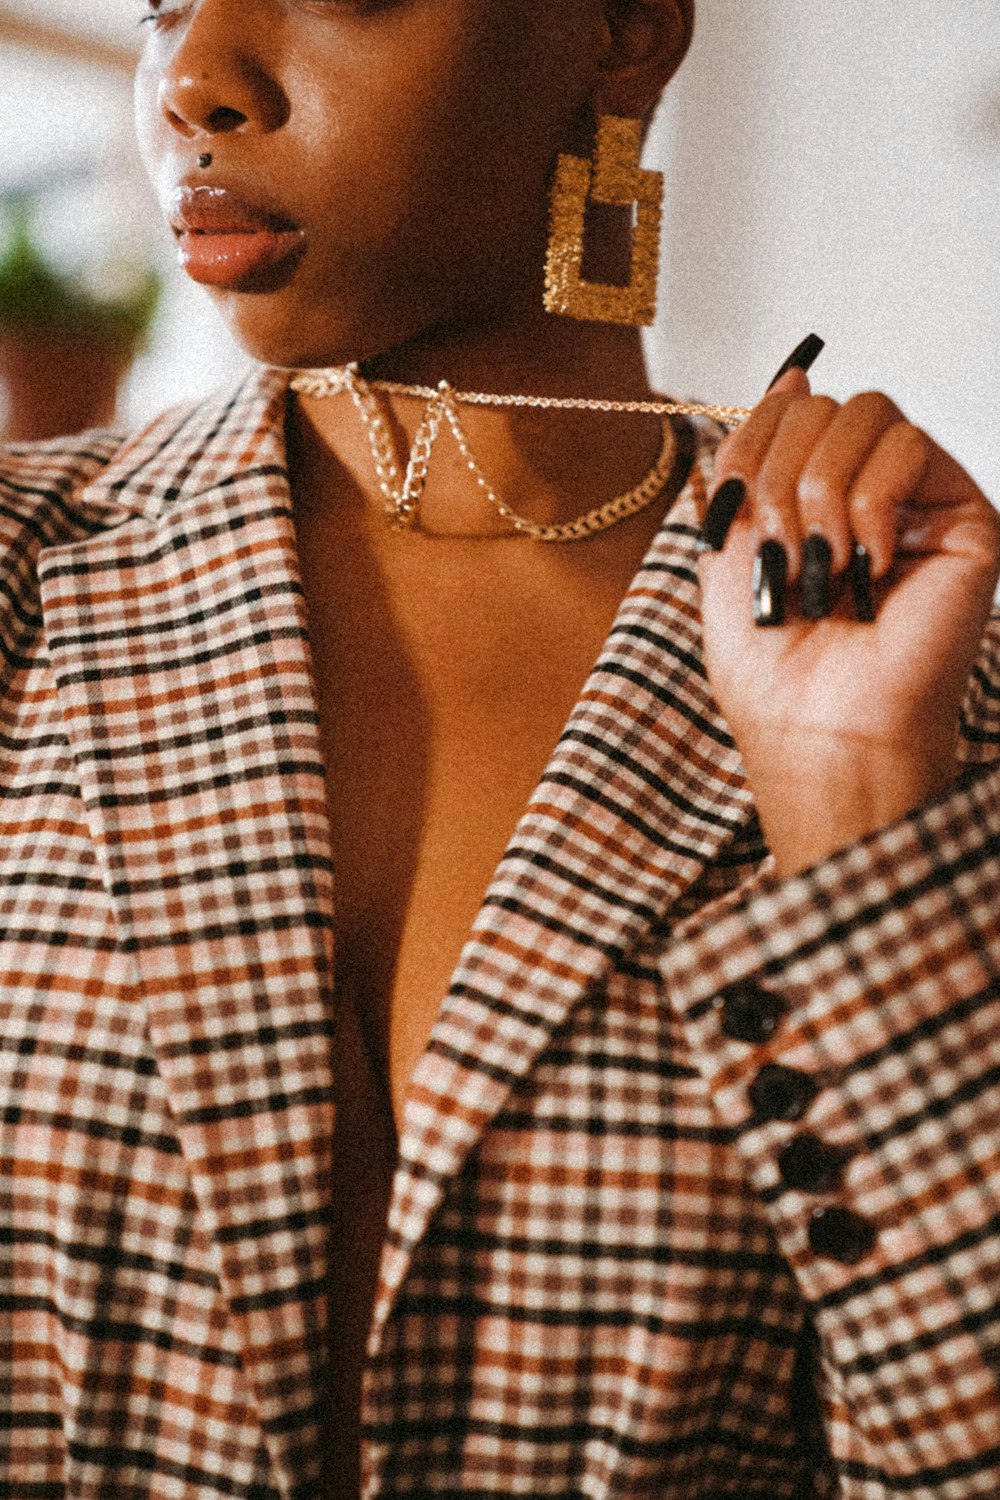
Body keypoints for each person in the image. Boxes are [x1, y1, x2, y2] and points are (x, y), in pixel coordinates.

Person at [0, 1, 997, 1495]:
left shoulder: (920, 676)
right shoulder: (28, 578)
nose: (195, 80)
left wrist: (850, 810)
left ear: (623, 36)